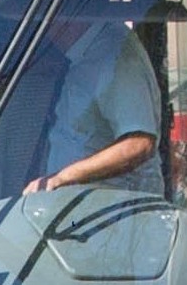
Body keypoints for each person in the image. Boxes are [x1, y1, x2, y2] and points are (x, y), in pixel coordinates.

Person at [22, 20, 164, 196]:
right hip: (77, 208)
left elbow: (139, 144)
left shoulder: (116, 54)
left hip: (116, 213)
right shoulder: (84, 54)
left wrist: (62, 178)